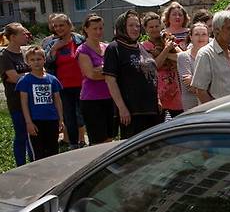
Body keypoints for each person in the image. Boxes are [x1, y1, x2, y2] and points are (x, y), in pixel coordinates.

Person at [103, 10, 163, 139]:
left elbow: (151, 74)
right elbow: (110, 81)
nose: (135, 29)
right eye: (130, 25)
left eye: (137, 25)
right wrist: (122, 108)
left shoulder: (140, 47)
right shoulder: (114, 48)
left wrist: (157, 98)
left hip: (151, 108)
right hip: (132, 112)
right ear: (122, 26)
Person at [42, 13, 86, 149]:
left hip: (82, 84)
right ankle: (73, 144)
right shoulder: (51, 44)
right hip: (63, 86)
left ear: (69, 25)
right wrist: (55, 48)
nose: (59, 28)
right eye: (56, 26)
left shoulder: (80, 40)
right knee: (69, 117)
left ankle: (83, 141)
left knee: (82, 115)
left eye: (61, 25)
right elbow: (47, 64)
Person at [16, 46, 64, 160]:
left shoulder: (52, 79)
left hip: (51, 120)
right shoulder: (25, 81)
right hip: (35, 121)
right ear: (27, 62)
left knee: (52, 151)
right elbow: (24, 102)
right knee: (38, 153)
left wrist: (61, 119)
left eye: (39, 59)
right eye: (32, 60)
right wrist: (28, 122)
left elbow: (57, 100)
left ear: (44, 60)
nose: (36, 62)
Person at [76, 14, 116, 145]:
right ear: (86, 29)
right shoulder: (83, 50)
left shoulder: (107, 47)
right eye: (94, 28)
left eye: (100, 28)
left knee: (110, 138)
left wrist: (101, 69)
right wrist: (109, 71)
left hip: (110, 97)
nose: (98, 32)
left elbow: (115, 70)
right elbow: (91, 75)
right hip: (92, 100)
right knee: (98, 141)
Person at [191, 10, 230, 103]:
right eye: (229, 28)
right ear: (217, 29)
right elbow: (200, 91)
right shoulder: (206, 54)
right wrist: (215, 112)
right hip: (218, 114)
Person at [0, 23, 33, 165]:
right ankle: (21, 165)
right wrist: (32, 76)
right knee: (21, 135)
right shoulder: (4, 56)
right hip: (16, 102)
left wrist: (30, 76)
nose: (26, 36)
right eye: (23, 34)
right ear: (13, 37)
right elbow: (14, 78)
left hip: (32, 101)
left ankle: (35, 162)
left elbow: (39, 70)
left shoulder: (25, 53)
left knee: (33, 135)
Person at [141, 12, 184, 120]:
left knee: (179, 123)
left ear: (161, 26)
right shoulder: (144, 46)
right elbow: (155, 65)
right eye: (151, 27)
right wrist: (166, 50)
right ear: (145, 29)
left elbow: (182, 58)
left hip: (174, 92)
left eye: (157, 26)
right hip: (158, 94)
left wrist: (166, 53)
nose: (155, 29)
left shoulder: (167, 39)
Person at [177, 22, 209, 110]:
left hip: (210, 103)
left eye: (204, 34)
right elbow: (189, 86)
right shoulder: (183, 57)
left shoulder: (212, 56)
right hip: (191, 105)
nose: (200, 37)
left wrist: (194, 80)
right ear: (191, 37)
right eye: (197, 34)